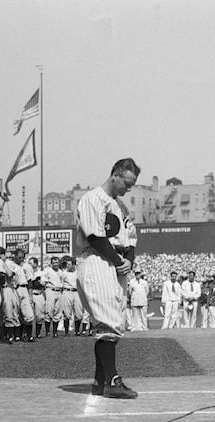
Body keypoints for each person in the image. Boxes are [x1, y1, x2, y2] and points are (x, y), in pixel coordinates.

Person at [75, 157, 139, 399]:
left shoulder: (120, 207)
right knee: (108, 322)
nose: (129, 188)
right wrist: (117, 260)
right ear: (115, 173)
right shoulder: (92, 198)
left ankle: (100, 381)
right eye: (127, 182)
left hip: (115, 263)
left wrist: (128, 260)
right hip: (97, 260)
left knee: (112, 323)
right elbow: (94, 236)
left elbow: (131, 239)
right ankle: (112, 381)